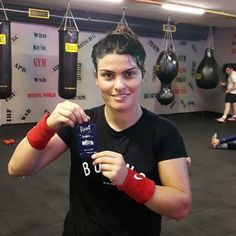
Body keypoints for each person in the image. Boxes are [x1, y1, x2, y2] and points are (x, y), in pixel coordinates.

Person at [8, 25, 191, 236]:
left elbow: (180, 207)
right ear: (96, 78)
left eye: (129, 74)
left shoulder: (163, 132)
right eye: (108, 75)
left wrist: (128, 179)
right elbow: (17, 168)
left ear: (142, 75)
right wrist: (46, 126)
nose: (119, 85)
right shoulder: (81, 123)